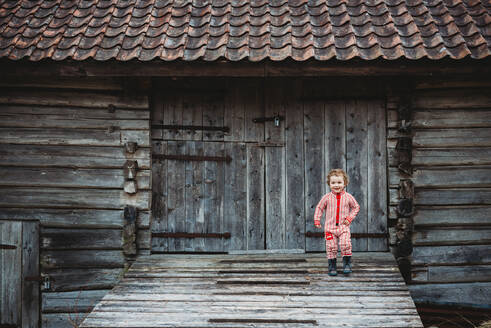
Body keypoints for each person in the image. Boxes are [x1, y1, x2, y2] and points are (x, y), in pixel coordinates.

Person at [314, 169, 360, 276]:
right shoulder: (326, 198)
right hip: (330, 228)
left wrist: (349, 218)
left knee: (345, 244)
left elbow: (356, 207)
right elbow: (319, 208)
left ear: (345, 183)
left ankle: (347, 264)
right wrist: (317, 219)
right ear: (329, 184)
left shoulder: (348, 197)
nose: (336, 185)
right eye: (333, 183)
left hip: (343, 227)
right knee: (331, 247)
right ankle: (332, 266)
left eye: (339, 182)